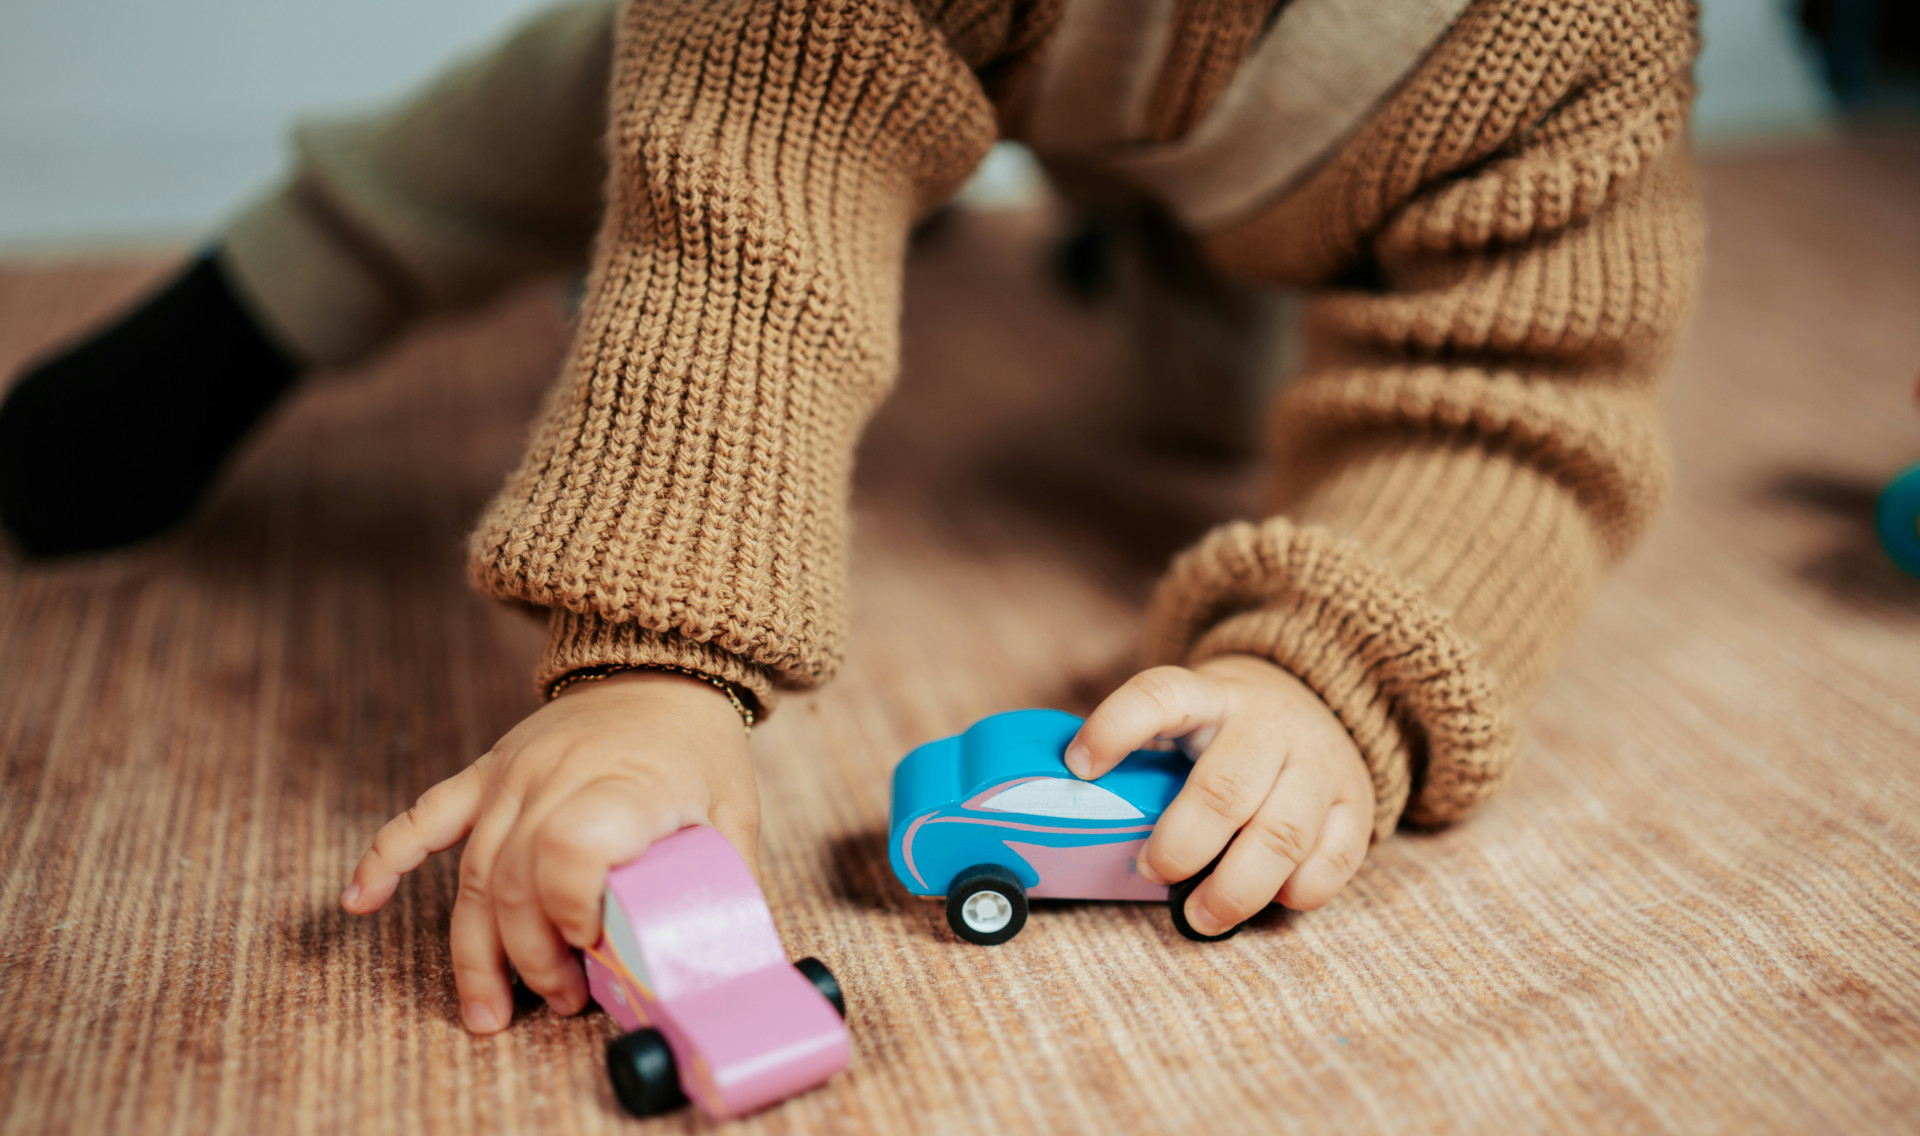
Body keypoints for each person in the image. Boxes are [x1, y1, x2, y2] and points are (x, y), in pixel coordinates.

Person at [0, 0, 1704, 1035]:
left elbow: (1521, 394)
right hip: (877, 42)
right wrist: (651, 669)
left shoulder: (1583, 51)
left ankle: (1131, 242)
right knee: (627, 92)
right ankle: (268, 290)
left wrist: (1327, 672)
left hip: (1317, 172)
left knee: (1211, 409)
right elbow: (750, 201)